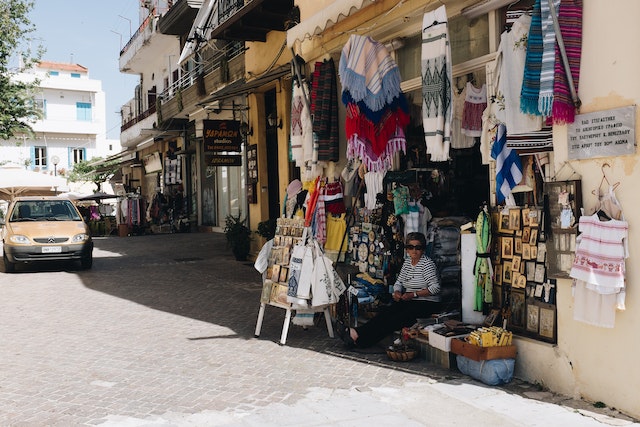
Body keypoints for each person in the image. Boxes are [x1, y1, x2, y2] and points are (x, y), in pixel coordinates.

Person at [342, 232, 441, 349]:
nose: (414, 251)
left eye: (418, 248)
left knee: (395, 320)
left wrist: (413, 294)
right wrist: (397, 292)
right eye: (410, 247)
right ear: (407, 250)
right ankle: (357, 333)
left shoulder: (427, 264)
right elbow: (399, 282)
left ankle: (363, 341)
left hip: (427, 303)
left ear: (423, 249)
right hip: (410, 300)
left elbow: (435, 288)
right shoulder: (408, 263)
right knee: (386, 313)